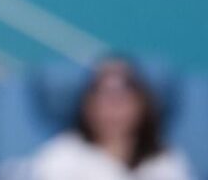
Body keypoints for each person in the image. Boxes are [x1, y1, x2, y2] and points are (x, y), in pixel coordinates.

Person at [29, 59, 194, 180]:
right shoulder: (60, 156)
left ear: (142, 106)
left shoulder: (165, 160)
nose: (114, 110)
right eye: (104, 99)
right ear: (87, 107)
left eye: (122, 100)